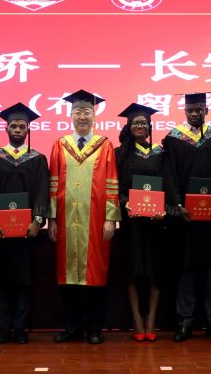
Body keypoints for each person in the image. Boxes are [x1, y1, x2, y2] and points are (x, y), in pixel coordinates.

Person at [48, 90, 120, 344]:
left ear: (94, 115)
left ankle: (94, 328)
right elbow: (53, 183)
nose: (82, 116)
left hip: (96, 221)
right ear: (70, 115)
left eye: (86, 112)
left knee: (95, 273)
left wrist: (111, 218)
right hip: (66, 221)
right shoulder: (60, 145)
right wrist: (52, 219)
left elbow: (112, 183)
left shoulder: (105, 145)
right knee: (67, 274)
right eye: (77, 112)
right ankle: (72, 327)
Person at [163, 92, 211, 342]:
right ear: (185, 111)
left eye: (199, 109)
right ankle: (185, 322)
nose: (195, 113)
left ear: (206, 111)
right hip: (185, 218)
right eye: (190, 110)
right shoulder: (173, 139)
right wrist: (177, 205)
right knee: (186, 269)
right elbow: (169, 176)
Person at [0, 102, 49, 345]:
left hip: (26, 232)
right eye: (14, 126)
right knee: (0, 282)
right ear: (6, 129)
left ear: (28, 129)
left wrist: (37, 221)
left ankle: (20, 328)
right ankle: (3, 329)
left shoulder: (38, 159)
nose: (18, 129)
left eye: (22, 126)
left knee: (23, 281)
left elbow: (42, 191)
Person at [114, 103, 167, 342]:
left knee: (155, 272)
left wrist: (165, 210)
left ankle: (151, 320)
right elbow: (115, 188)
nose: (139, 126)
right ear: (129, 126)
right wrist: (126, 204)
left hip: (155, 224)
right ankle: (137, 320)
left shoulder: (161, 153)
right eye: (135, 123)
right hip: (132, 223)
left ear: (149, 127)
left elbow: (168, 184)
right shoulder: (120, 154)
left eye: (143, 123)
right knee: (133, 271)